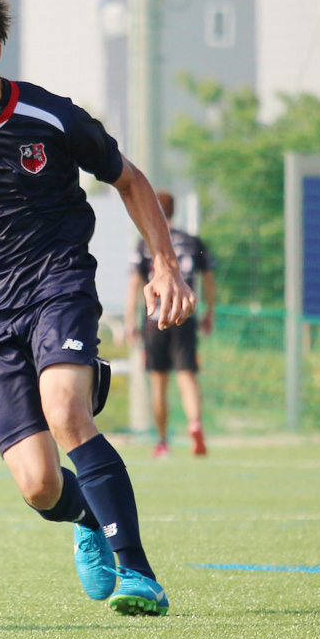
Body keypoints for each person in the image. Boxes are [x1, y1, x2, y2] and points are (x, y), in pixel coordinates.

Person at [0, 0, 195, 617]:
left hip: (57, 287)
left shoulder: (51, 117)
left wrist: (165, 265)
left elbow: (130, 180)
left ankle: (138, 572)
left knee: (66, 412)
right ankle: (88, 518)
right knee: (37, 484)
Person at [125, 191, 216, 459]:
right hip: (184, 316)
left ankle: (163, 442)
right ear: (174, 210)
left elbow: (134, 285)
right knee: (187, 376)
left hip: (155, 319)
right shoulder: (192, 242)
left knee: (159, 382)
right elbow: (208, 281)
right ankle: (195, 423)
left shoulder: (145, 244)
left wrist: (130, 321)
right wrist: (209, 312)